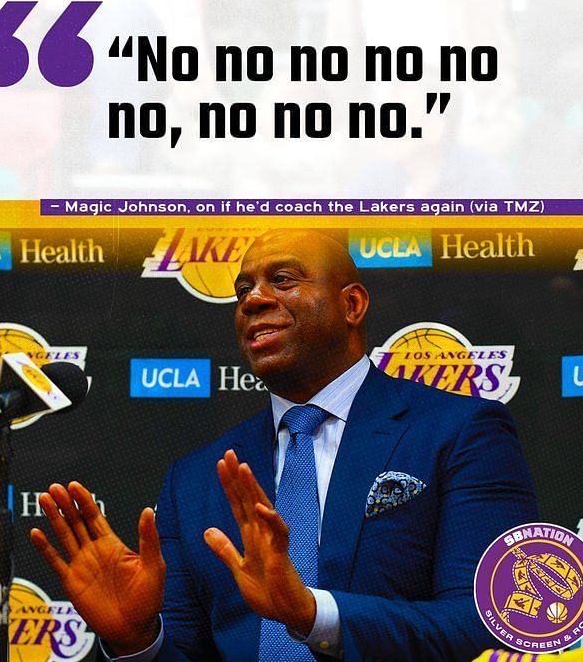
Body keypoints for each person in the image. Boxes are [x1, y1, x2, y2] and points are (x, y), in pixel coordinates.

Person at [31, 229, 538, 661]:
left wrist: (311, 614)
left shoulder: (459, 431)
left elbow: (480, 618)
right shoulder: (196, 477)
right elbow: (185, 650)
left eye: (283, 280)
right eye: (243, 289)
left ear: (352, 305)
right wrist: (136, 639)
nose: (253, 300)